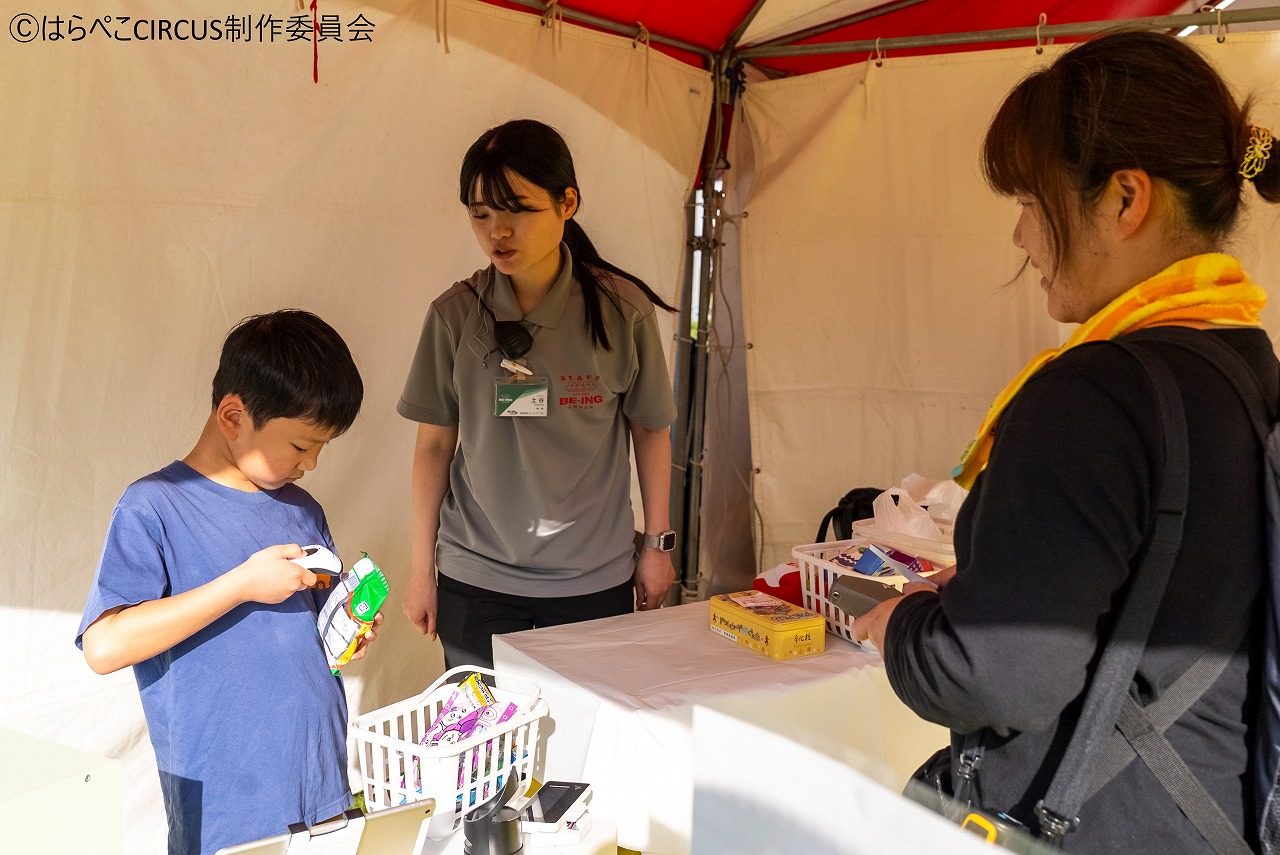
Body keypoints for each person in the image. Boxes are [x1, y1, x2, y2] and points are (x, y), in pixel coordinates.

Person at [854, 30, 1280, 854]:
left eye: (1029, 199)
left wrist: (903, 622)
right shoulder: (1246, 363)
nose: (1021, 237)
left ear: (1126, 199)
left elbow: (995, 673)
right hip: (1220, 813)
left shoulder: (1093, 393)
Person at [77, 310, 371, 855]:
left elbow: (305, 643)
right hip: (228, 812)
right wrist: (239, 584)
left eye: (322, 448)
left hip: (322, 787)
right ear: (233, 416)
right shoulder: (153, 506)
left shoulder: (303, 509)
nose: (312, 464)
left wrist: (345, 627)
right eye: (302, 445)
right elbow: (103, 645)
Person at [398, 119, 678, 669]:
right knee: (483, 751)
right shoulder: (455, 316)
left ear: (566, 202)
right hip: (474, 580)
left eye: (518, 209)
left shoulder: (623, 313)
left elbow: (651, 430)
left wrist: (657, 547)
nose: (497, 230)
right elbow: (433, 448)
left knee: (582, 751)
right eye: (480, 214)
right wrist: (420, 572)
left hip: (593, 585)